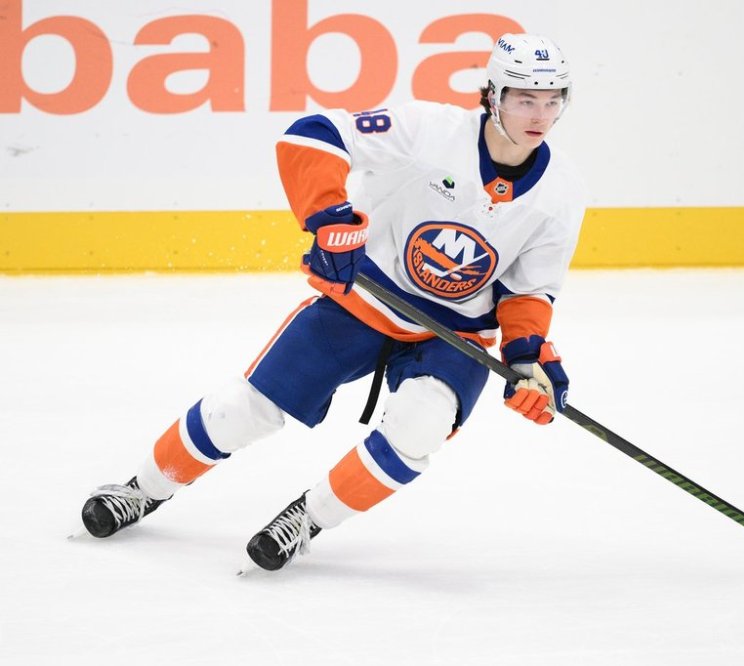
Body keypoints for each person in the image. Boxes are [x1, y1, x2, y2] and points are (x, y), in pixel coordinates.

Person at [80, 33, 585, 572]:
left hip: (455, 335)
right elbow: (316, 134)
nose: (541, 114)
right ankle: (143, 488)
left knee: (419, 428)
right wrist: (328, 219)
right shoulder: (429, 131)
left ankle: (307, 519)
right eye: (525, 98)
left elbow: (528, 289)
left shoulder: (562, 191)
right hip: (366, 300)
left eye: (553, 99)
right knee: (242, 410)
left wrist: (528, 357)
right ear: (492, 96)